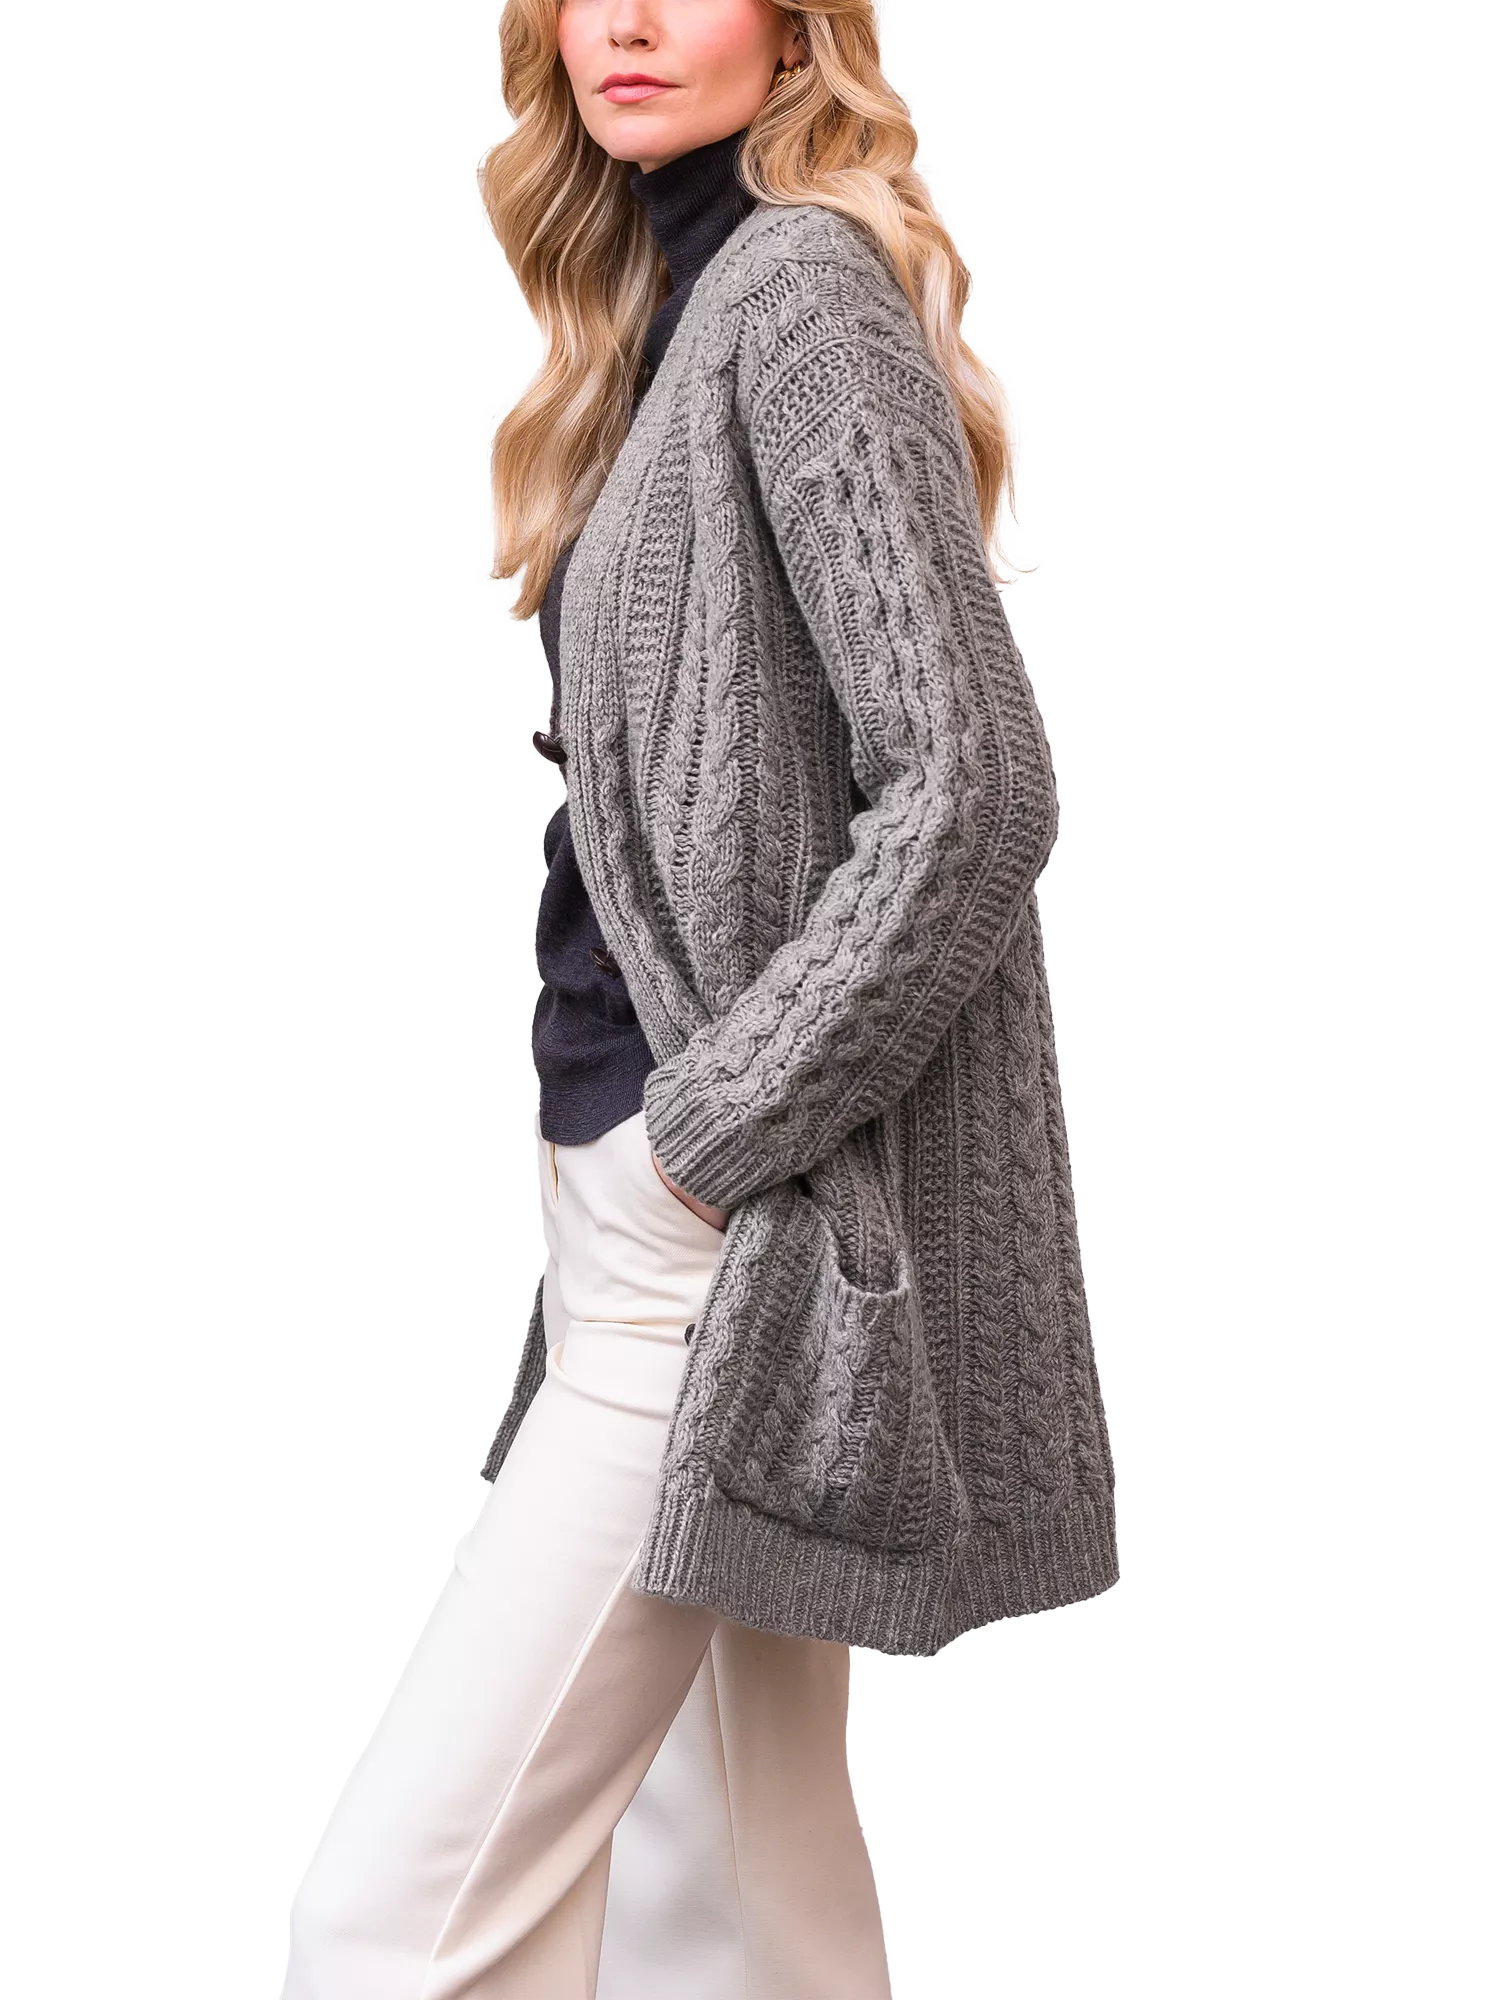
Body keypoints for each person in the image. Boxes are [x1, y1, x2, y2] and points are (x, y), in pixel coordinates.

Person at [279, 2, 1119, 1994]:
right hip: (639, 1207)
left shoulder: (798, 293)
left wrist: (705, 1141)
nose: (629, 21)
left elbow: (976, 781)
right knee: (738, 1909)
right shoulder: (672, 310)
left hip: (715, 1228)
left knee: (388, 1928)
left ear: (802, 26)